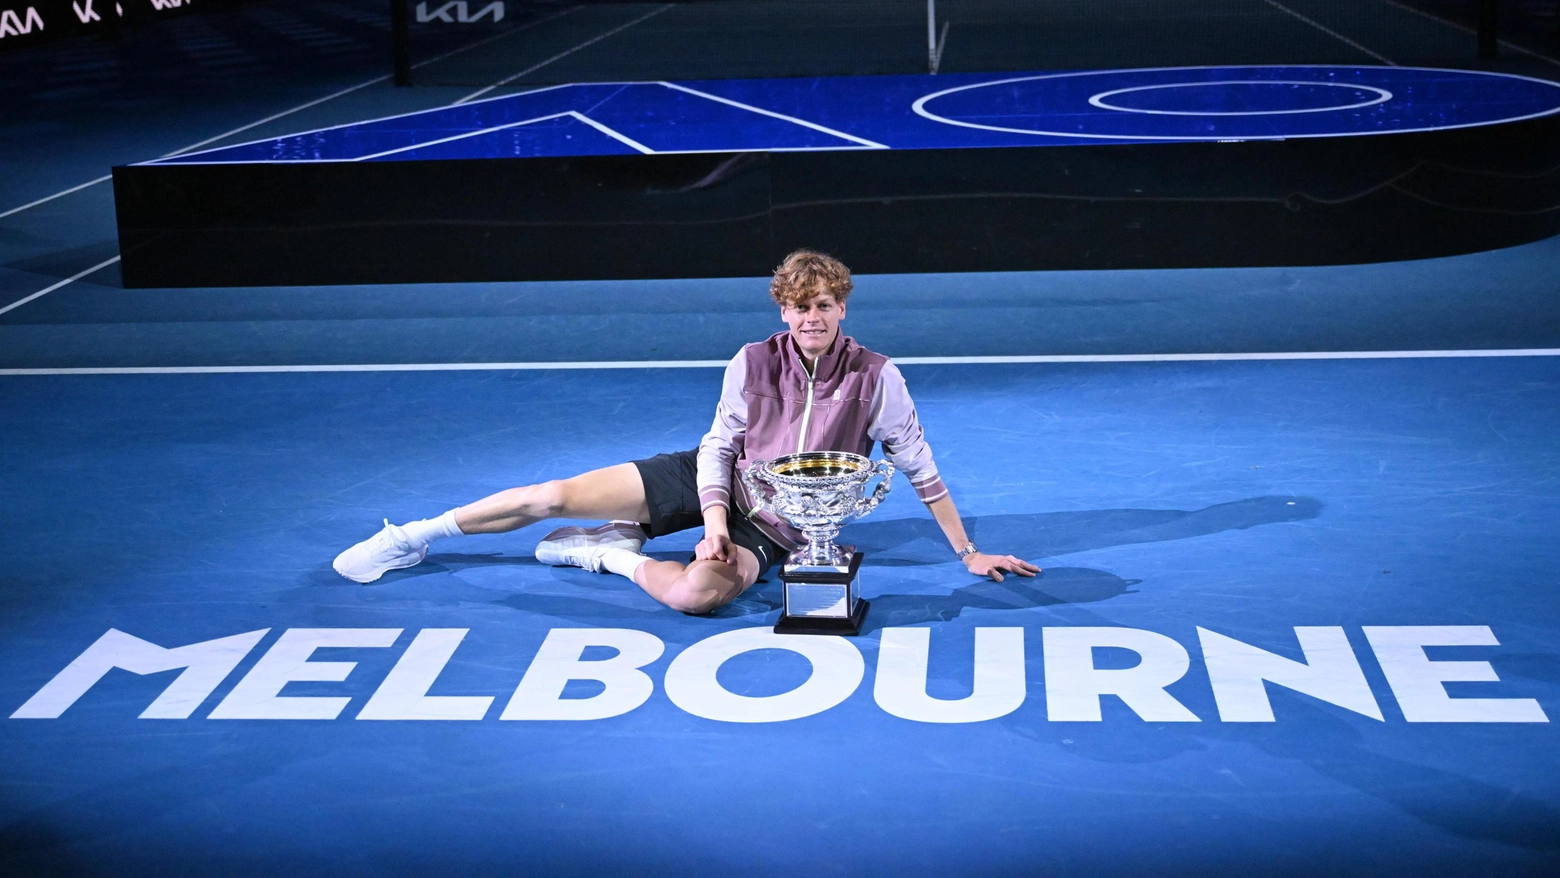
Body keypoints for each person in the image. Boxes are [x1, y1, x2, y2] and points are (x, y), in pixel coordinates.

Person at [333, 250, 1039, 613]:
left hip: (783, 529)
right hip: (714, 481)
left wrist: (968, 552)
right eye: (798, 308)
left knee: (697, 596)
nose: (811, 318)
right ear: (784, 312)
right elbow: (721, 446)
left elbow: (920, 466)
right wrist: (711, 519)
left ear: (843, 306)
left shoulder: (877, 376)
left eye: (822, 305)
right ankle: (411, 537)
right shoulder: (751, 361)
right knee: (550, 496)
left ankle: (608, 556)